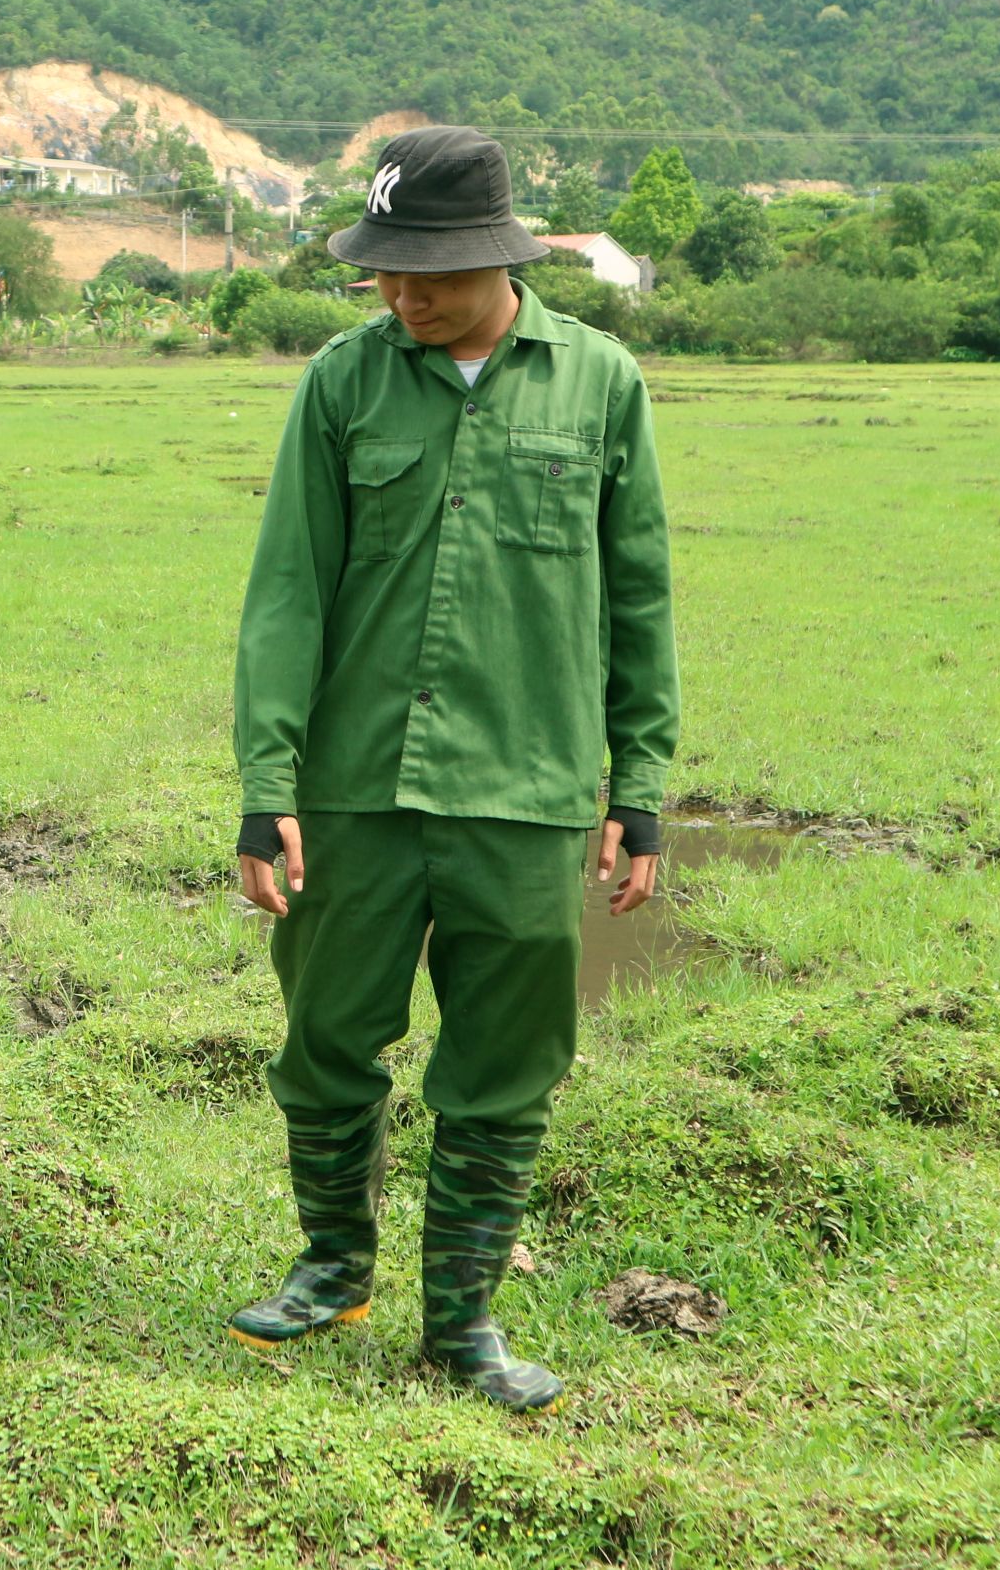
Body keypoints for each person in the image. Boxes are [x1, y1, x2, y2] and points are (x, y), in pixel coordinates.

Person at [227, 126, 679, 1412]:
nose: (401, 296)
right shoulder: (342, 384)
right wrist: (268, 786)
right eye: (383, 273)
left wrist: (635, 786)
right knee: (323, 1040)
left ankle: (462, 1320)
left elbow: (637, 598)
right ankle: (331, 1265)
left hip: (527, 795)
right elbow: (285, 596)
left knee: (502, 1061)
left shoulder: (600, 384)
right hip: (356, 790)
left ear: (498, 256)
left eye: (425, 274)